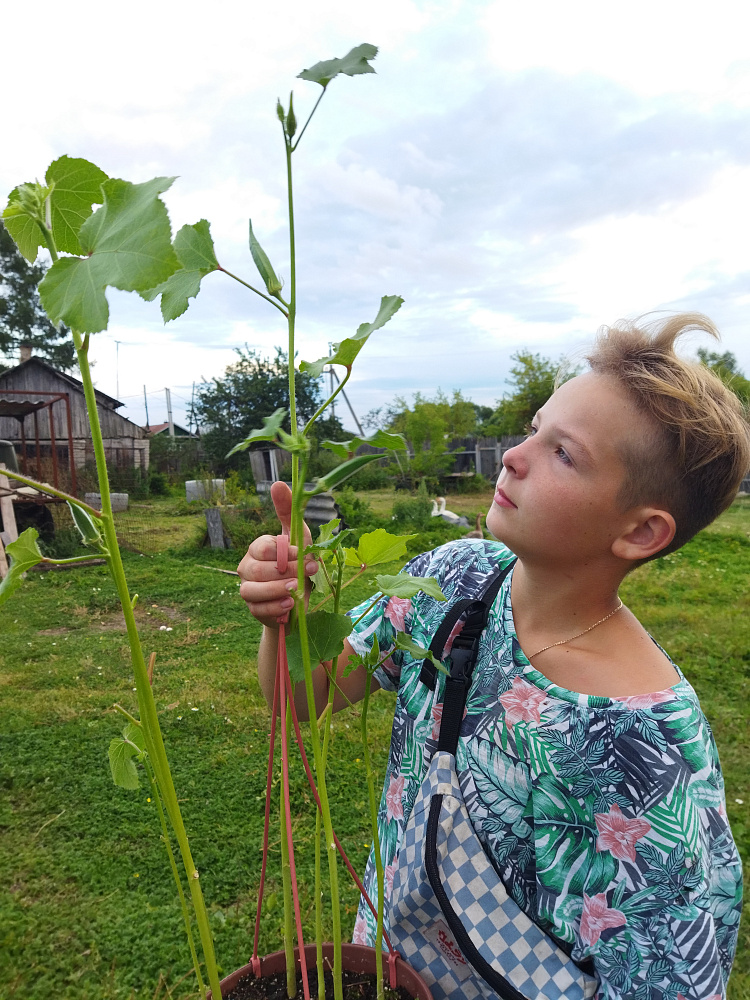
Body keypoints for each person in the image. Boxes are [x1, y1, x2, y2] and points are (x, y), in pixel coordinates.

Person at [238, 313, 747, 999]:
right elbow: (300, 698)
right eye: (535, 427)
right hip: (385, 973)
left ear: (641, 531)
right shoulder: (451, 583)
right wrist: (283, 617)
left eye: (563, 453)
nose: (514, 454)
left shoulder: (650, 754)